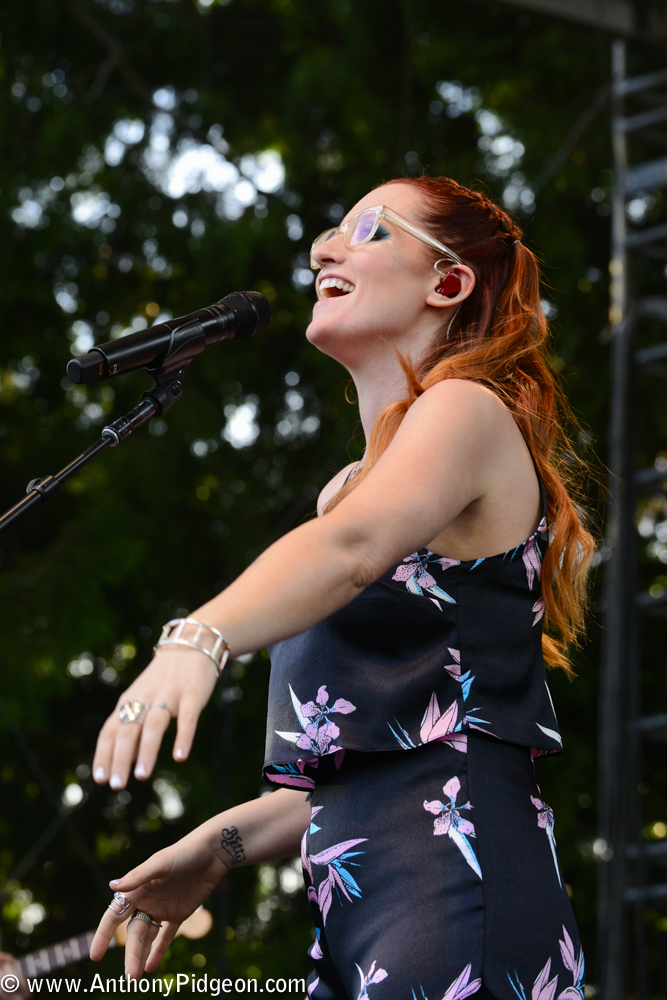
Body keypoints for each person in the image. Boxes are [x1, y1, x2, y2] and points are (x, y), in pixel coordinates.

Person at [89, 176, 594, 1000]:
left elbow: (354, 549)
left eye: (367, 231)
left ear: (447, 282)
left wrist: (198, 637)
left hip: (457, 890)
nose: (325, 248)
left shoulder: (466, 409)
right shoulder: (345, 489)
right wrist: (214, 850)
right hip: (364, 916)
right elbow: (362, 774)